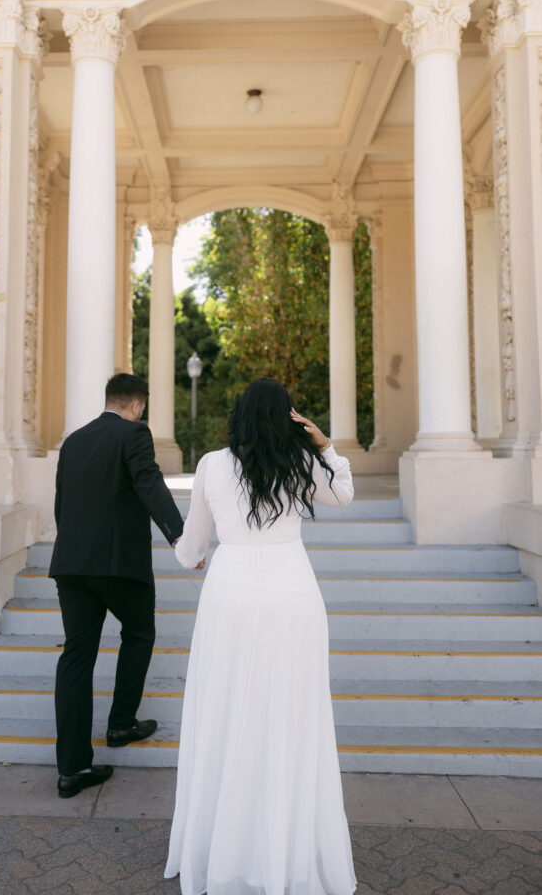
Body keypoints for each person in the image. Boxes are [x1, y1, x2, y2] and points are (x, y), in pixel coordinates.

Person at [165, 379, 357, 895]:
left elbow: (191, 546)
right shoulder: (302, 463)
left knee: (227, 710)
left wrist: (189, 554)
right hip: (293, 592)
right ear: (287, 417)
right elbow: (343, 494)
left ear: (238, 415)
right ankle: (282, 850)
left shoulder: (212, 464)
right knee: (289, 715)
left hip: (229, 592)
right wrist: (324, 445)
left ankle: (224, 849)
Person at [50, 372, 185, 799]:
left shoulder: (73, 441)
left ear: (108, 399)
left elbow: (61, 503)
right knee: (140, 632)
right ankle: (121, 723)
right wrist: (180, 535)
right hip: (119, 565)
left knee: (76, 658)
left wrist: (73, 549)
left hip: (71, 564)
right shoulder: (135, 434)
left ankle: (72, 769)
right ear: (137, 405)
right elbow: (149, 482)